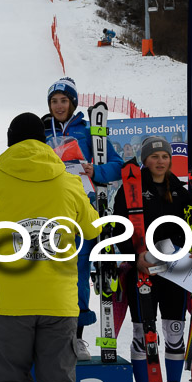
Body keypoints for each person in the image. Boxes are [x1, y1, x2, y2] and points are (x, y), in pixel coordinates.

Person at [0, 113, 101, 382]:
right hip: (59, 303)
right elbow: (92, 227)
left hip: (9, 304)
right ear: (43, 141)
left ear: (10, 140)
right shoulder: (68, 180)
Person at [112, 136, 192, 382]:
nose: (160, 161)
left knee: (175, 333)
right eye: (154, 156)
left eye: (164, 156)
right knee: (143, 336)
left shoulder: (177, 188)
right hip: (144, 272)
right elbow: (117, 228)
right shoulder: (131, 189)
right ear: (144, 159)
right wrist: (134, 258)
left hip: (174, 272)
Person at [42, 77, 123, 360]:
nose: (59, 105)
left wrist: (93, 170)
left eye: (64, 100)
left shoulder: (90, 133)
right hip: (49, 211)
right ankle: (51, 336)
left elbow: (117, 166)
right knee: (47, 274)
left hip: (81, 211)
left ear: (73, 103)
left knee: (77, 274)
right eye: (54, 101)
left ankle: (76, 338)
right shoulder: (41, 131)